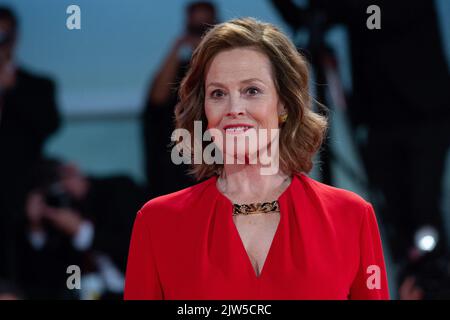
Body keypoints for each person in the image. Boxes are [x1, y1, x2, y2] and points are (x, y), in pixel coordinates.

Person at [125, 17, 389, 300]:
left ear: (284, 104)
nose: (234, 108)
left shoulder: (351, 216)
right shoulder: (158, 222)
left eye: (252, 90)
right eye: (218, 94)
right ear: (203, 110)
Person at [18, 158, 147, 299]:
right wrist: (36, 225)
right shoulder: (56, 217)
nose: (64, 191)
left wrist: (81, 230)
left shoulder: (119, 189)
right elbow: (46, 275)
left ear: (73, 169)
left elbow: (138, 245)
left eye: (63, 181)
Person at [0, 6, 60, 281]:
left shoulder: (37, 85)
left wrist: (12, 90)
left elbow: (49, 125)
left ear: (15, 36)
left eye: (4, 34)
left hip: (22, 193)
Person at [142, 1, 217, 198]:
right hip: (172, 172)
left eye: (206, 30)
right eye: (195, 29)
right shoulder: (178, 70)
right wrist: (178, 47)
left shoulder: (223, 73)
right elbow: (156, 99)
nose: (200, 37)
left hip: (215, 169)